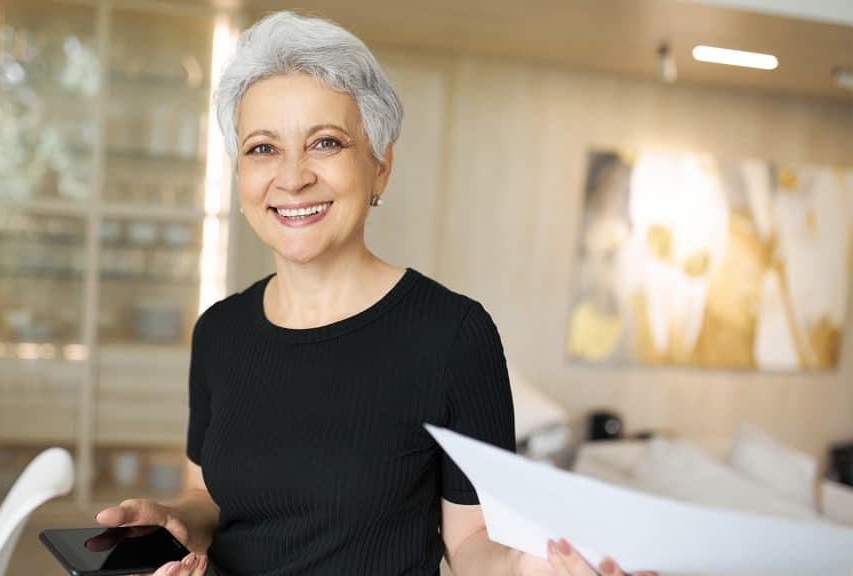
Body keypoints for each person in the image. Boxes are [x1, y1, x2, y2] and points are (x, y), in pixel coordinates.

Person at [96, 11, 655, 576]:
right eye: (263, 148)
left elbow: (474, 542)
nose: (291, 178)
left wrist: (540, 569)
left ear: (380, 167)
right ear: (239, 172)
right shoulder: (219, 331)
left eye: (325, 143)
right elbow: (211, 494)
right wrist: (178, 521)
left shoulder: (453, 336)